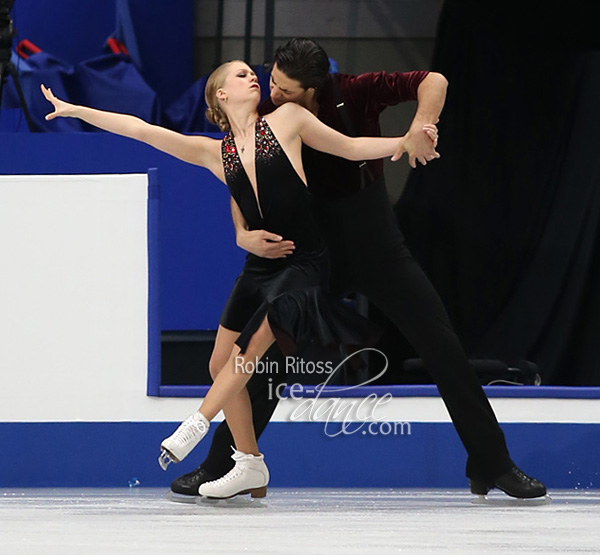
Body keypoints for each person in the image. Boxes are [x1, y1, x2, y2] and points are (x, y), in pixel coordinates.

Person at [170, 39, 548, 500]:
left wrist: (421, 128)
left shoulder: (357, 89)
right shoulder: (271, 105)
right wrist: (242, 232)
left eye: (285, 89)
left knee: (440, 341)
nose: (273, 94)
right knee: (266, 356)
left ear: (315, 89)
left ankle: (492, 463)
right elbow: (243, 170)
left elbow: (435, 80)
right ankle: (220, 464)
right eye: (271, 83)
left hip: (373, 241)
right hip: (311, 246)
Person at [41, 61, 437, 499]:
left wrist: (403, 141)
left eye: (253, 72)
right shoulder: (215, 152)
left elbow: (346, 147)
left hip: (304, 262)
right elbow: (140, 130)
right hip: (260, 268)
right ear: (220, 96)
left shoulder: (287, 119)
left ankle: (196, 422)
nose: (253, 77)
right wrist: (76, 110)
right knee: (218, 363)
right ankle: (250, 462)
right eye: (240, 74)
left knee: (250, 348)